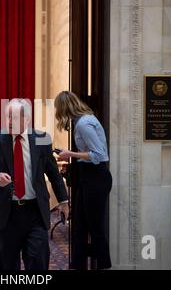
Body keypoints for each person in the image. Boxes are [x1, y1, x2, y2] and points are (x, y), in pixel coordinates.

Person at [0, 98, 69, 270]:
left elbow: (54, 174)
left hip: (35, 213)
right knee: (8, 267)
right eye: (8, 117)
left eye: (14, 117)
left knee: (38, 263)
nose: (9, 122)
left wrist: (63, 201)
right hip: (5, 214)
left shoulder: (42, 139)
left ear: (27, 119)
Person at [54, 91, 112, 270]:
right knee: (79, 226)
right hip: (89, 178)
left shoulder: (84, 124)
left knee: (95, 228)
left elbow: (98, 155)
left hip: (96, 178)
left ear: (64, 107)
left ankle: (103, 264)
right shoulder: (82, 120)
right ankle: (78, 264)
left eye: (58, 108)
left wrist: (69, 154)